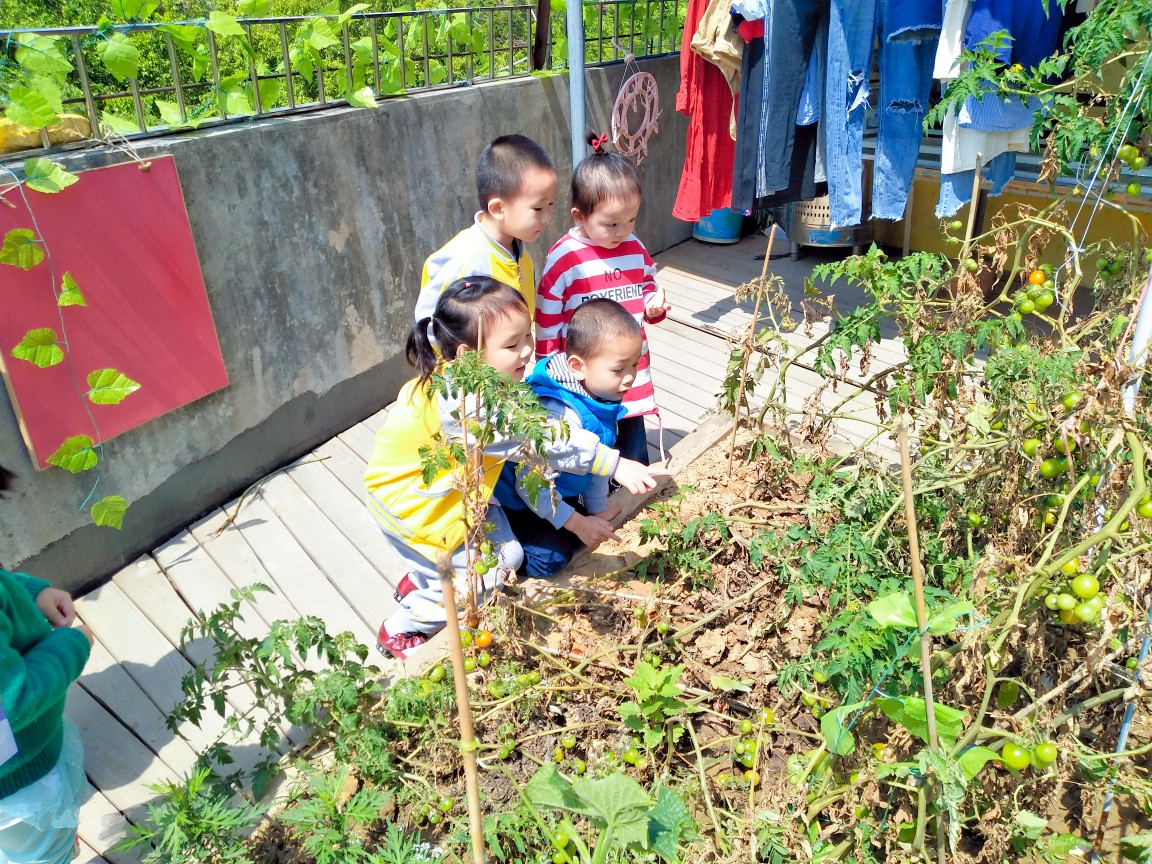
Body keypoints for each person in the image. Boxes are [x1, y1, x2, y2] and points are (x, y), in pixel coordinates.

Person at [366, 278, 662, 659]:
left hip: (461, 489)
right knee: (482, 581)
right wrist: (614, 462)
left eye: (527, 336)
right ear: (468, 354)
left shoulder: (475, 376)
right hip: (413, 503)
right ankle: (404, 626)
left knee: (510, 557)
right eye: (511, 345)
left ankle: (421, 578)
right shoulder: (465, 407)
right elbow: (543, 439)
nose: (527, 351)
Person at [535, 132, 672, 465]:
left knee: (632, 440)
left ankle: (635, 485)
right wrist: (548, 367)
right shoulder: (566, 258)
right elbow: (547, 318)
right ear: (579, 216)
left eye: (631, 220)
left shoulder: (634, 247)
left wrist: (652, 305)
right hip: (586, 376)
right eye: (611, 224)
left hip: (627, 369)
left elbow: (646, 284)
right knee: (588, 443)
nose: (622, 231)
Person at [496, 299, 643, 577]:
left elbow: (597, 460)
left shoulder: (599, 397)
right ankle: (499, 553)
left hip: (559, 488)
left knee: (584, 534)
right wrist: (577, 523)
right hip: (518, 499)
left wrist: (597, 511)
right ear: (577, 366)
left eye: (635, 364)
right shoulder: (560, 413)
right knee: (552, 558)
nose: (630, 378)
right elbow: (530, 486)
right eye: (619, 369)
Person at [0, 464, 94, 864]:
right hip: (18, 782)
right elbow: (12, 700)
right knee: (41, 854)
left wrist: (29, 594)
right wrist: (71, 646)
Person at [414, 135, 557, 321]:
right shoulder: (465, 262)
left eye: (551, 204)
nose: (547, 218)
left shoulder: (521, 257)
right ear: (498, 208)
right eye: (538, 208)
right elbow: (428, 325)